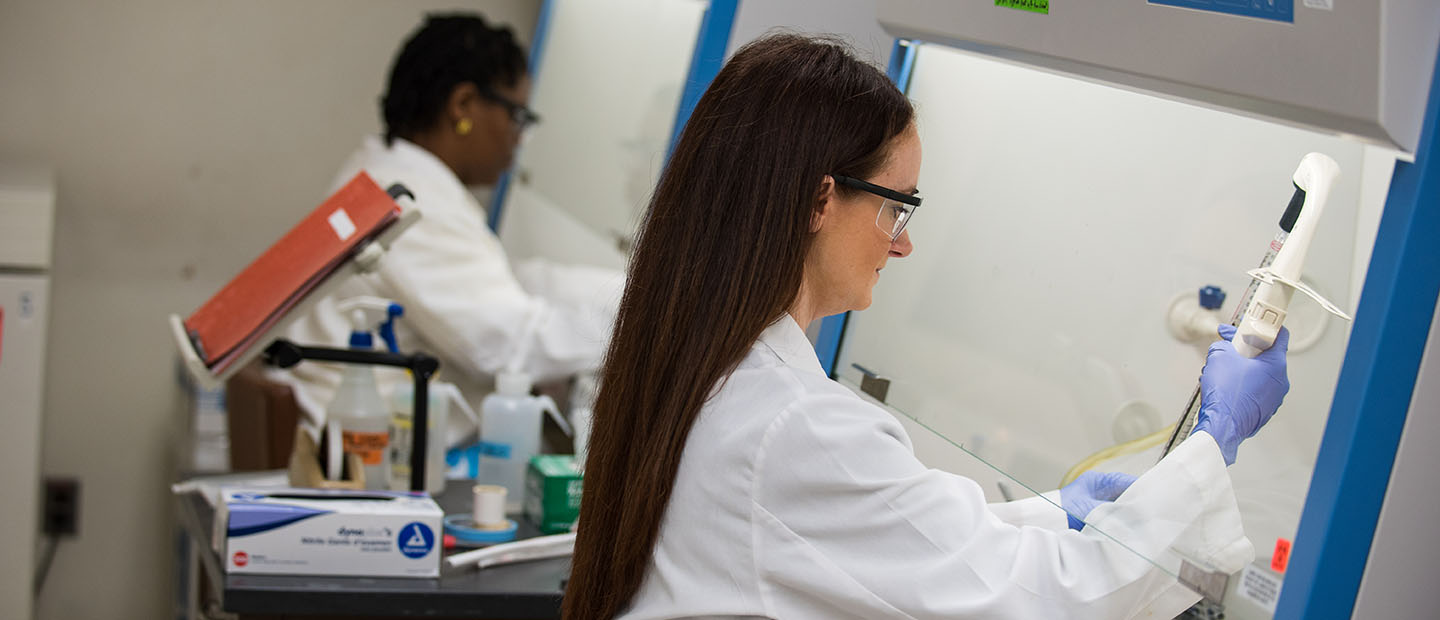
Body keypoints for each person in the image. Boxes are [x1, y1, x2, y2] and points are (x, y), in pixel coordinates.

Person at [563, 34, 1290, 619]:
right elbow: (1050, 602)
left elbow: (899, 535)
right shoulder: (794, 428)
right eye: (896, 206)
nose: (904, 244)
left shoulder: (705, 363)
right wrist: (1217, 436)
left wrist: (1050, 517)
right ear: (820, 201)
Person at [279, 14, 621, 424]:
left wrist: (629, 290)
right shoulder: (412, 203)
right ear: (463, 106)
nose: (518, 139)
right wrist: (645, 322)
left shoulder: (387, 172)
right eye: (517, 116)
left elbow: (506, 278)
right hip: (362, 439)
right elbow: (506, 346)